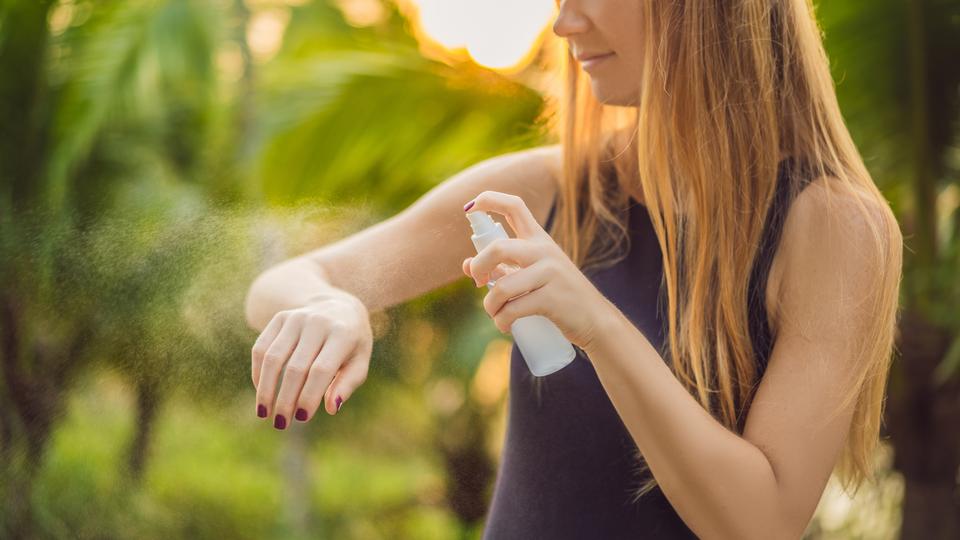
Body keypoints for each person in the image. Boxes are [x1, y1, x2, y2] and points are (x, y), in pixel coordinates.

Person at [244, 0, 903, 537]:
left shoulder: (836, 231)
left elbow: (761, 524)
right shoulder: (553, 192)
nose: (563, 23)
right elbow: (284, 284)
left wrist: (598, 325)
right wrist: (333, 306)